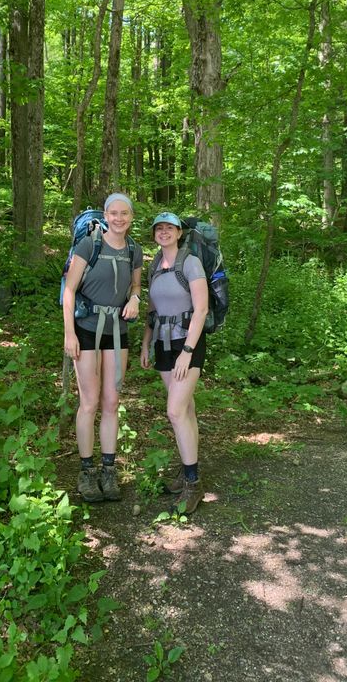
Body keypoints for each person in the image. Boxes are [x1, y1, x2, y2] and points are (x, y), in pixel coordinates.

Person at [63, 193, 143, 503]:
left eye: (124, 213)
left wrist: (136, 298)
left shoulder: (134, 249)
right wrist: (69, 333)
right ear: (106, 215)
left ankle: (109, 472)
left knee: (111, 402)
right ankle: (86, 471)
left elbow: (135, 285)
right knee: (89, 402)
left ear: (131, 217)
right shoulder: (90, 245)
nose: (119, 218)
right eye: (114, 212)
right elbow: (69, 291)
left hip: (118, 331)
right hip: (85, 330)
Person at [140, 212, 208, 514]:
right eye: (159, 228)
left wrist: (188, 350)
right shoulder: (155, 265)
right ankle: (187, 469)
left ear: (179, 232)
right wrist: (145, 343)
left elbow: (202, 309)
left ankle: (193, 484)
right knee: (187, 410)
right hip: (163, 344)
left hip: (187, 343)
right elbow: (152, 311)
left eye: (170, 228)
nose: (164, 232)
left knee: (175, 410)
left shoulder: (190, 262)